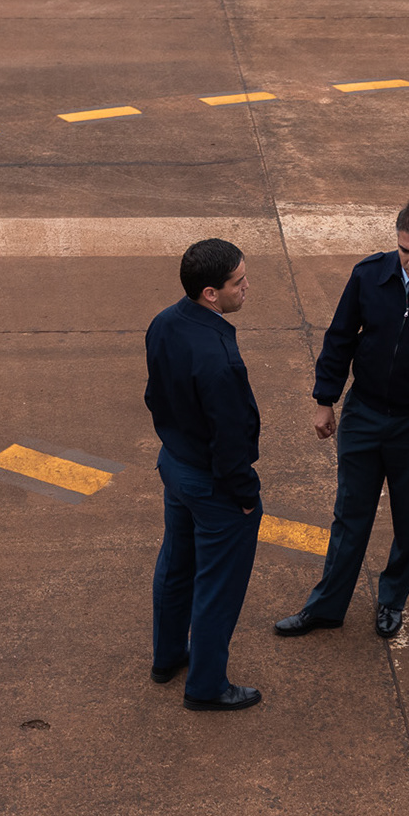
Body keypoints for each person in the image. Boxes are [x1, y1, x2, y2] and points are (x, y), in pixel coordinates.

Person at [274, 197, 409, 641]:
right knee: (349, 514)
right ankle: (327, 606)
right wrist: (325, 399)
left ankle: (391, 600)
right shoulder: (368, 275)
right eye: (405, 250)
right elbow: (339, 338)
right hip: (363, 415)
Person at [145, 238, 265, 712]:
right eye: (239, 282)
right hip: (213, 483)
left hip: (175, 464)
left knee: (176, 566)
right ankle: (207, 685)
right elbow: (231, 438)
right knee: (217, 586)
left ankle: (168, 657)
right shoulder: (219, 357)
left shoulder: (164, 323)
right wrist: (245, 494)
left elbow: (154, 395)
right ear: (211, 293)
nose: (246, 287)